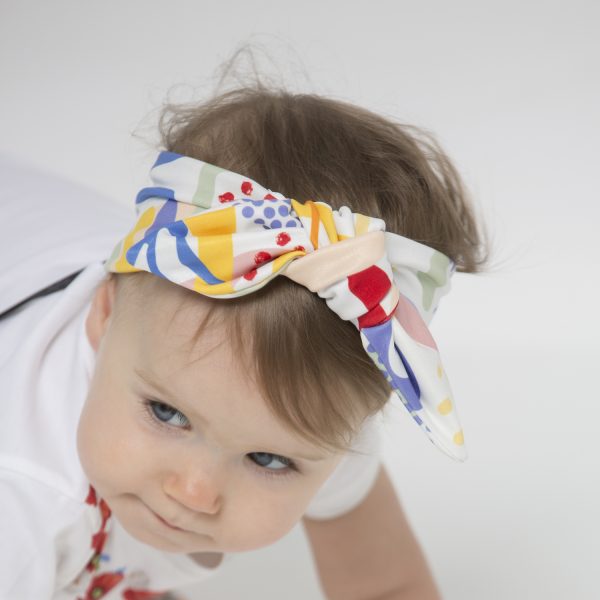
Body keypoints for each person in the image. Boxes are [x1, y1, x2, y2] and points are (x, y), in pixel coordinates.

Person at [0, 83, 490, 599]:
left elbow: (386, 587)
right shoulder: (26, 498)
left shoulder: (313, 416)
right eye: (166, 413)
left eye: (268, 459)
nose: (194, 493)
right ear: (103, 314)